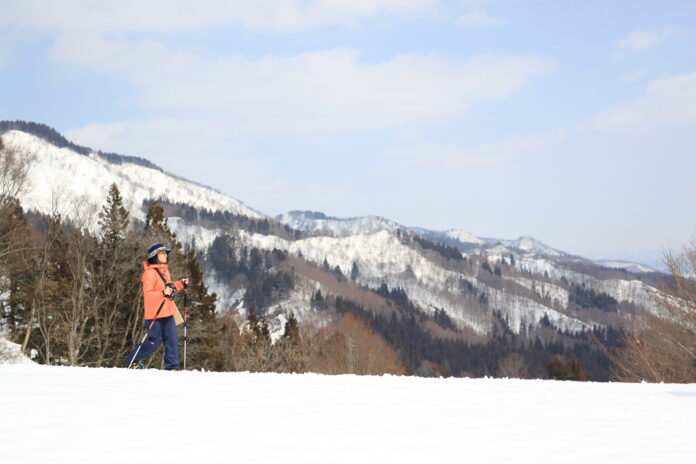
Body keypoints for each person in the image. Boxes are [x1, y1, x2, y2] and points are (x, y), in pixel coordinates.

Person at [126, 243, 188, 370]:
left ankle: (172, 367)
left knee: (172, 340)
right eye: (162, 253)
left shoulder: (164, 271)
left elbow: (169, 288)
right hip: (155, 313)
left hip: (168, 311)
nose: (165, 255)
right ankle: (132, 360)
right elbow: (148, 294)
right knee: (153, 342)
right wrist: (162, 293)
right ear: (155, 256)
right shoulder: (149, 273)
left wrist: (181, 284)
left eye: (166, 253)